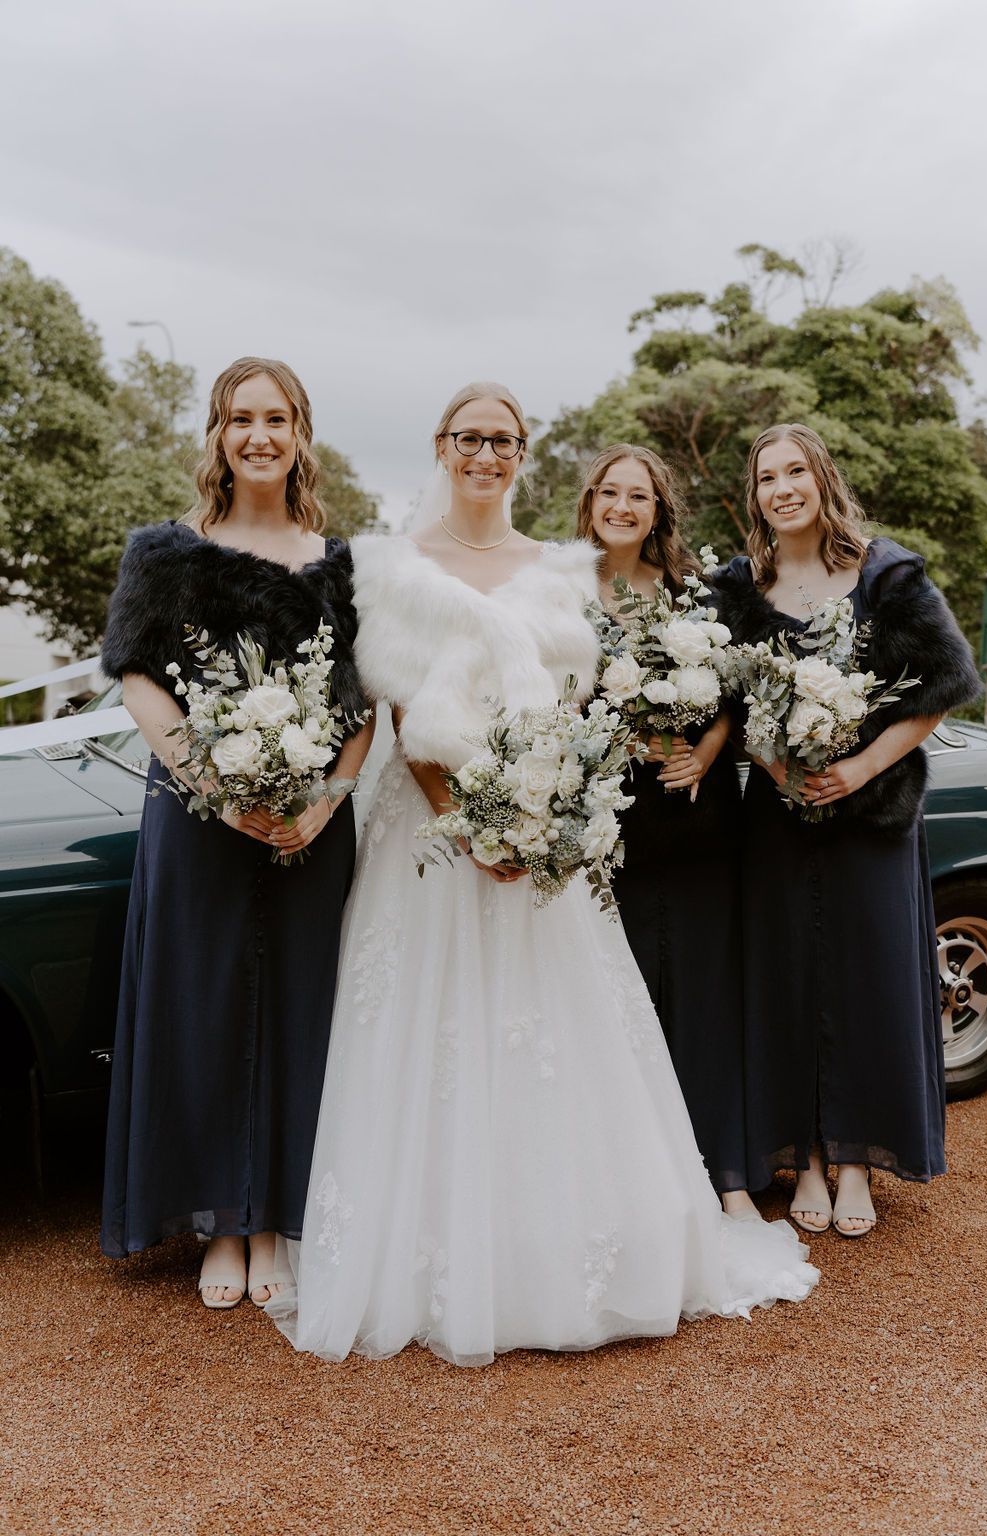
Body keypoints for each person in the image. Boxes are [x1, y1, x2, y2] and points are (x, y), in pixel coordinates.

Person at [266, 383, 816, 1367]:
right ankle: (435, 1258)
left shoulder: (555, 570)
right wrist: (465, 819)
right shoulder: (392, 565)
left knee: (551, 1037)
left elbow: (570, 709)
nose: (486, 455)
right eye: (470, 438)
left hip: (537, 832)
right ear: (441, 445)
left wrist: (547, 810)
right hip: (428, 835)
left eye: (504, 441)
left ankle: (556, 1249)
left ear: (522, 455)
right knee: (428, 1041)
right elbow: (395, 711)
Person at [100, 357, 374, 1307]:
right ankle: (220, 1221)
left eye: (277, 419)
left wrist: (323, 803)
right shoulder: (164, 551)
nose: (258, 436)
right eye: (239, 419)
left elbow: (362, 704)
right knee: (204, 1003)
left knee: (304, 1008)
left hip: (309, 825)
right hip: (197, 815)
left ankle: (279, 1220)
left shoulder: (339, 562)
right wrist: (213, 784)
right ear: (217, 434)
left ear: (301, 433)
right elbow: (139, 676)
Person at [715, 423, 979, 1237]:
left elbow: (941, 685)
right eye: (767, 478)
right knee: (786, 979)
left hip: (874, 817)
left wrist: (860, 770)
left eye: (796, 471)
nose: (782, 488)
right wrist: (776, 766)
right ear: (755, 496)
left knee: (867, 982)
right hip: (776, 820)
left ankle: (858, 1159)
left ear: (823, 479)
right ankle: (812, 1161)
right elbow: (721, 700)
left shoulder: (885, 572)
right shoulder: (738, 585)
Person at [578, 444, 755, 1213]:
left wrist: (704, 748)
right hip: (605, 829)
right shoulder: (557, 596)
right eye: (610, 493)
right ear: (589, 504)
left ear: (659, 512)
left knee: (705, 996)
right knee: (621, 1003)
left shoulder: (697, 593)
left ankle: (725, 1174)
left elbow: (736, 701)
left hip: (696, 819)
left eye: (639, 497)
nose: (623, 506)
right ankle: (636, 1179)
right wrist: (616, 738)